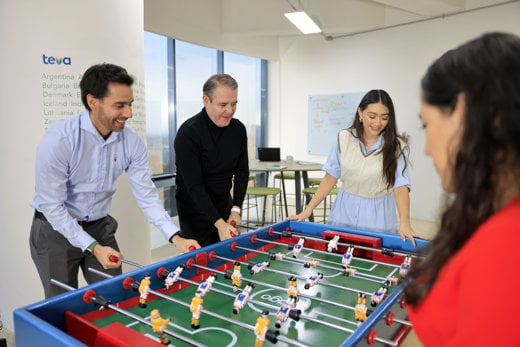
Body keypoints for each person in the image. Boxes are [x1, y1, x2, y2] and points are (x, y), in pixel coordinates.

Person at [30, 63, 199, 298]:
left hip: (99, 226)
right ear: (93, 101)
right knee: (60, 306)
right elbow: (52, 206)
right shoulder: (59, 140)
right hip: (54, 230)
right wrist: (92, 247)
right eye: (119, 105)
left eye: (130, 104)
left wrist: (175, 236)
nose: (128, 113)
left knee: (115, 297)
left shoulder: (131, 142)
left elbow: (147, 195)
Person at [404, 32, 520, 346]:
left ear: (463, 112)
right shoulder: (489, 211)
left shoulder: (505, 252)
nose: (426, 149)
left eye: (426, 126)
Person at [289, 89, 424, 246]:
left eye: (384, 118)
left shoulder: (397, 147)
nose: (377, 123)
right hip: (344, 210)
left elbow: (400, 186)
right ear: (360, 113)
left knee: (373, 262)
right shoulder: (344, 138)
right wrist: (308, 209)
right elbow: (331, 176)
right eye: (372, 116)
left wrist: (405, 223)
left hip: (378, 215)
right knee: (337, 255)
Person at [174, 74, 249, 247]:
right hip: (194, 212)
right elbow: (194, 186)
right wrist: (219, 223)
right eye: (223, 105)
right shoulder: (188, 133)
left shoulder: (238, 129)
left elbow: (242, 172)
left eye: (234, 104)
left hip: (225, 206)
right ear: (206, 100)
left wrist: (236, 209)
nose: (230, 110)